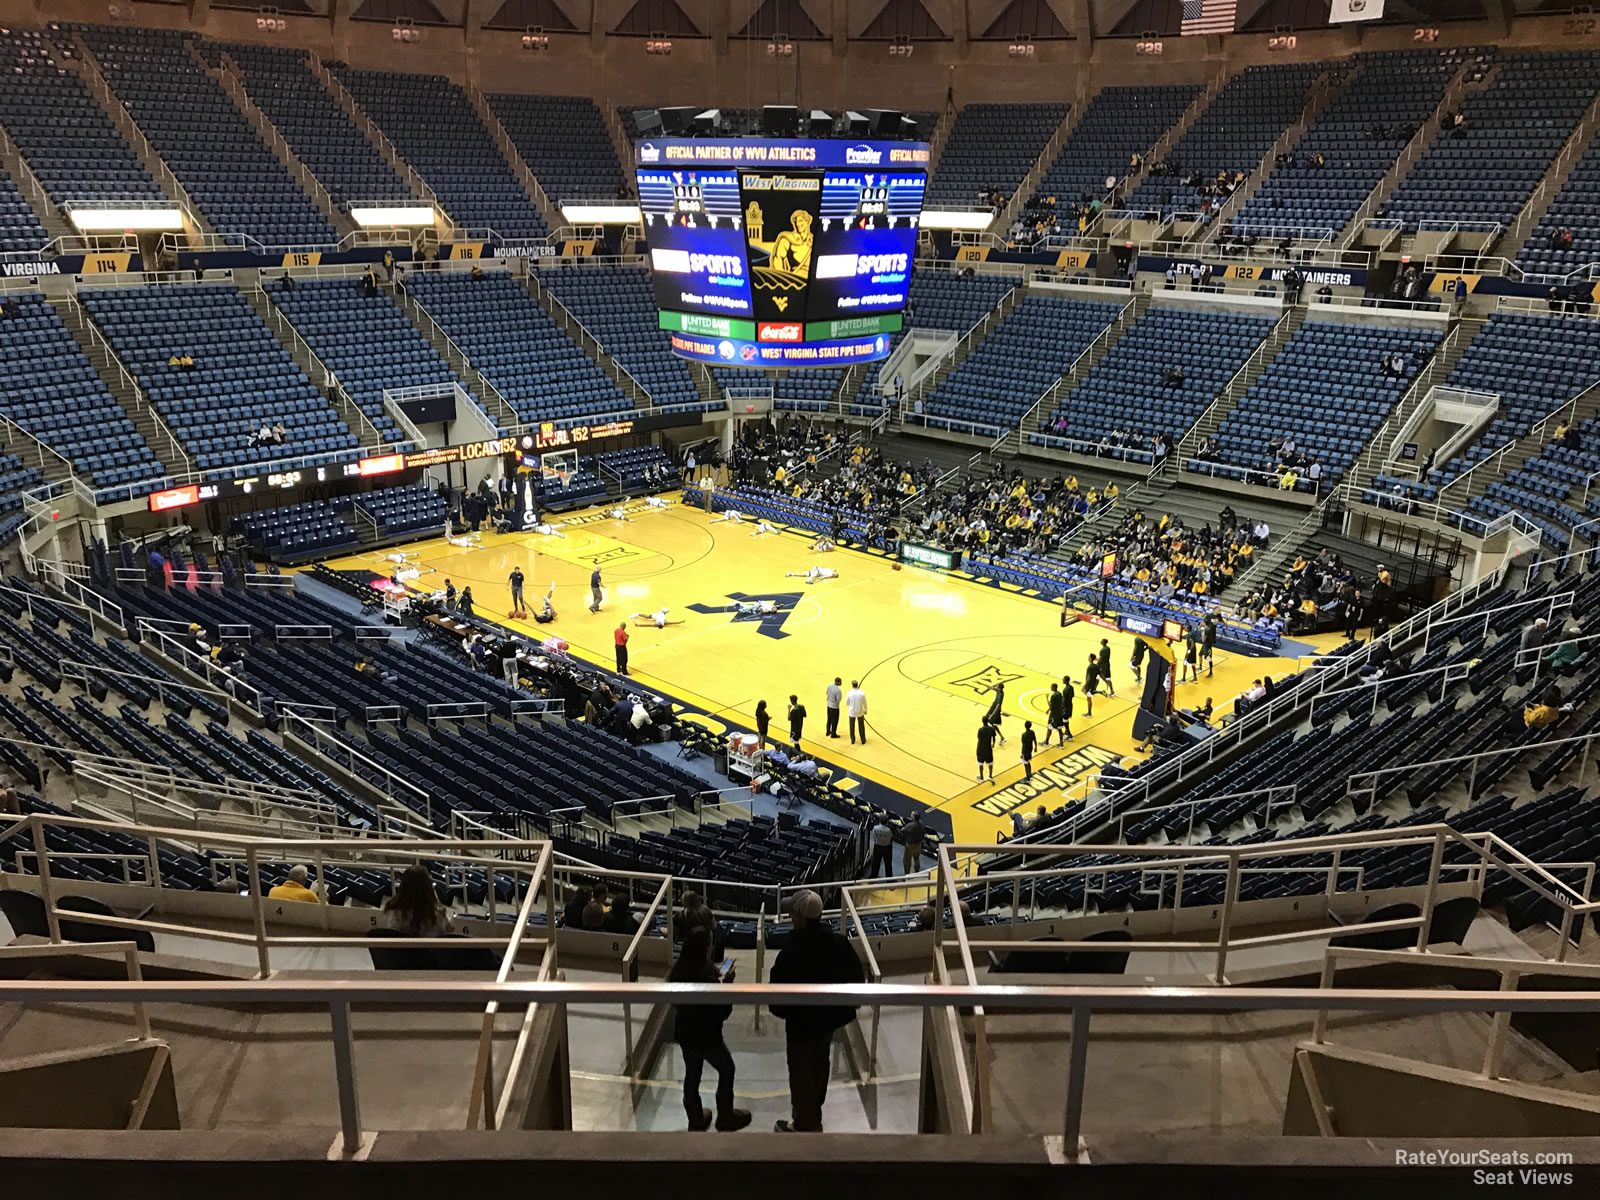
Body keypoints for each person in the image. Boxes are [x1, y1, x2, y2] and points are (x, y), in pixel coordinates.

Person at [768, 890, 864, 1133]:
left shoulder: (789, 954)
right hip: (827, 1022)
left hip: (800, 1027)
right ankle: (812, 1116)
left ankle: (804, 1125)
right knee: (820, 1065)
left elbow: (775, 1001)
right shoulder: (840, 944)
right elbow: (856, 979)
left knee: (801, 1073)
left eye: (792, 912)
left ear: (799, 917)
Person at [670, 925, 752, 1131]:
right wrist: (727, 985)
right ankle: (725, 1116)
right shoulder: (708, 978)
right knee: (727, 1069)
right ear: (705, 948)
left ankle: (695, 1119)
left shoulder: (679, 970)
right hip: (707, 1037)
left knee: (692, 1074)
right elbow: (722, 1012)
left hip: (685, 1034)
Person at [382, 864, 451, 936]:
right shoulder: (437, 915)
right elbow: (449, 933)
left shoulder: (392, 913)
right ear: (428, 888)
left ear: (403, 887)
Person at [901, 810, 925, 875]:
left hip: (910, 846)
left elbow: (903, 831)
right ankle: (917, 871)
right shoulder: (921, 824)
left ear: (914, 817)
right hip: (918, 845)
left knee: (907, 861)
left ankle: (907, 874)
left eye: (912, 815)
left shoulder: (909, 826)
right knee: (916, 858)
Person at [1045, 682, 1068, 746]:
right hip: (1059, 714)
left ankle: (1046, 741)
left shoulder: (1053, 696)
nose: (1050, 688)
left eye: (1051, 687)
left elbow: (1051, 706)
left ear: (1054, 688)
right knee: (1059, 728)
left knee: (1049, 727)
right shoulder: (1060, 694)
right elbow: (1058, 704)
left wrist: (1046, 698)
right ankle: (1061, 743)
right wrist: (1048, 710)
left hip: (1053, 715)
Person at [845, 680, 868, 745]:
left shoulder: (849, 693)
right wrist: (865, 710)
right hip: (860, 711)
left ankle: (853, 740)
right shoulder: (862, 693)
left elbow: (846, 703)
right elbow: (865, 703)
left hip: (852, 712)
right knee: (861, 726)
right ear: (857, 685)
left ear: (852, 685)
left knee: (851, 726)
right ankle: (863, 740)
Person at [976, 718, 997, 782]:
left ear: (982, 721)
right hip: (988, 748)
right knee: (990, 763)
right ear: (988, 721)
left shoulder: (980, 730)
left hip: (981, 748)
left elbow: (979, 740)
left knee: (980, 763)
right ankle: (990, 776)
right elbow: (994, 737)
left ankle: (981, 777)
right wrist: (993, 744)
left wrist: (977, 749)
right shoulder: (991, 729)